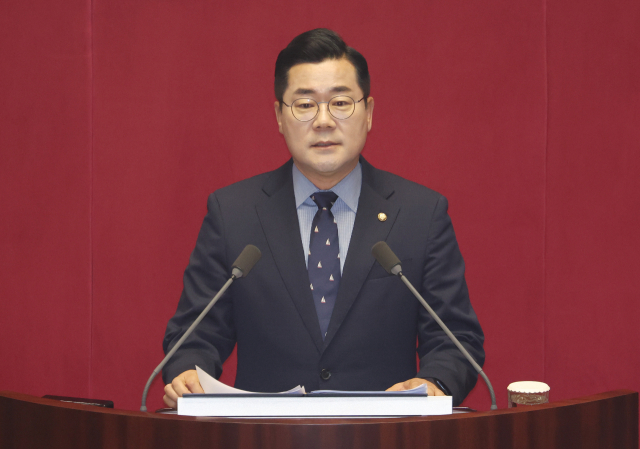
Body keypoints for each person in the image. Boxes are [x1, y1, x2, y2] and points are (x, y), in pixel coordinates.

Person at [162, 28, 485, 408]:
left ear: (368, 113)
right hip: (262, 433)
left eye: (341, 102)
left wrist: (434, 382)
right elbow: (195, 335)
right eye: (304, 105)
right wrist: (188, 372)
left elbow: (455, 339)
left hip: (388, 431)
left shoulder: (421, 214)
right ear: (279, 117)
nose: (323, 121)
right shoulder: (233, 213)